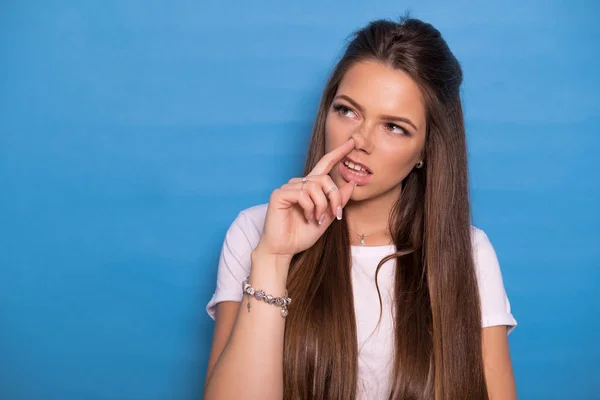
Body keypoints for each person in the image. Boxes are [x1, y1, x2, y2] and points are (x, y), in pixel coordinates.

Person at [203, 16, 518, 400]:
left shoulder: (469, 253)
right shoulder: (256, 231)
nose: (360, 140)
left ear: (425, 151)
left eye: (395, 127)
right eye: (348, 111)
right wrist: (273, 260)